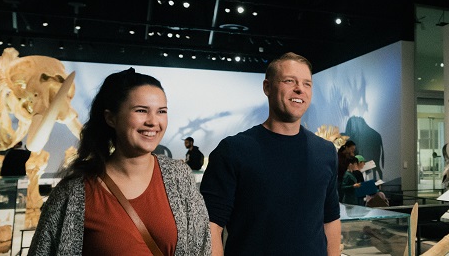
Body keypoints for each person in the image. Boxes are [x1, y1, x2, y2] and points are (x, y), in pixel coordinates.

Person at [29, 69, 212, 256]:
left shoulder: (179, 177)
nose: (153, 122)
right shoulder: (74, 192)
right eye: (141, 110)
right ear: (111, 118)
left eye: (161, 112)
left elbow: (203, 246)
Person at [200, 53, 341, 256]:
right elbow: (211, 227)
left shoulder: (325, 152)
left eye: (307, 83)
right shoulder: (232, 150)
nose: (300, 89)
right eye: (289, 81)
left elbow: (330, 220)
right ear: (267, 87)